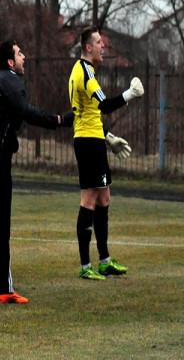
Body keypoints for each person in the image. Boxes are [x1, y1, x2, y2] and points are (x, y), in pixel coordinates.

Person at [0, 40, 73, 307]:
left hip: (2, 155)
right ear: (10, 61)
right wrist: (58, 120)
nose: (25, 57)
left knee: (3, 223)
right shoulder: (8, 80)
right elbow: (26, 112)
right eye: (20, 53)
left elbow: (19, 114)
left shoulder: (8, 80)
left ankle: (5, 288)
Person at [69, 26, 144, 280]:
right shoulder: (85, 73)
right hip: (88, 143)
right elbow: (105, 105)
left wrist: (107, 137)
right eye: (99, 42)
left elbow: (89, 111)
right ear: (88, 47)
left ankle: (104, 260)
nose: (104, 46)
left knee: (104, 199)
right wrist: (130, 94)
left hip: (94, 139)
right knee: (89, 200)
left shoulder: (83, 71)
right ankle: (85, 266)